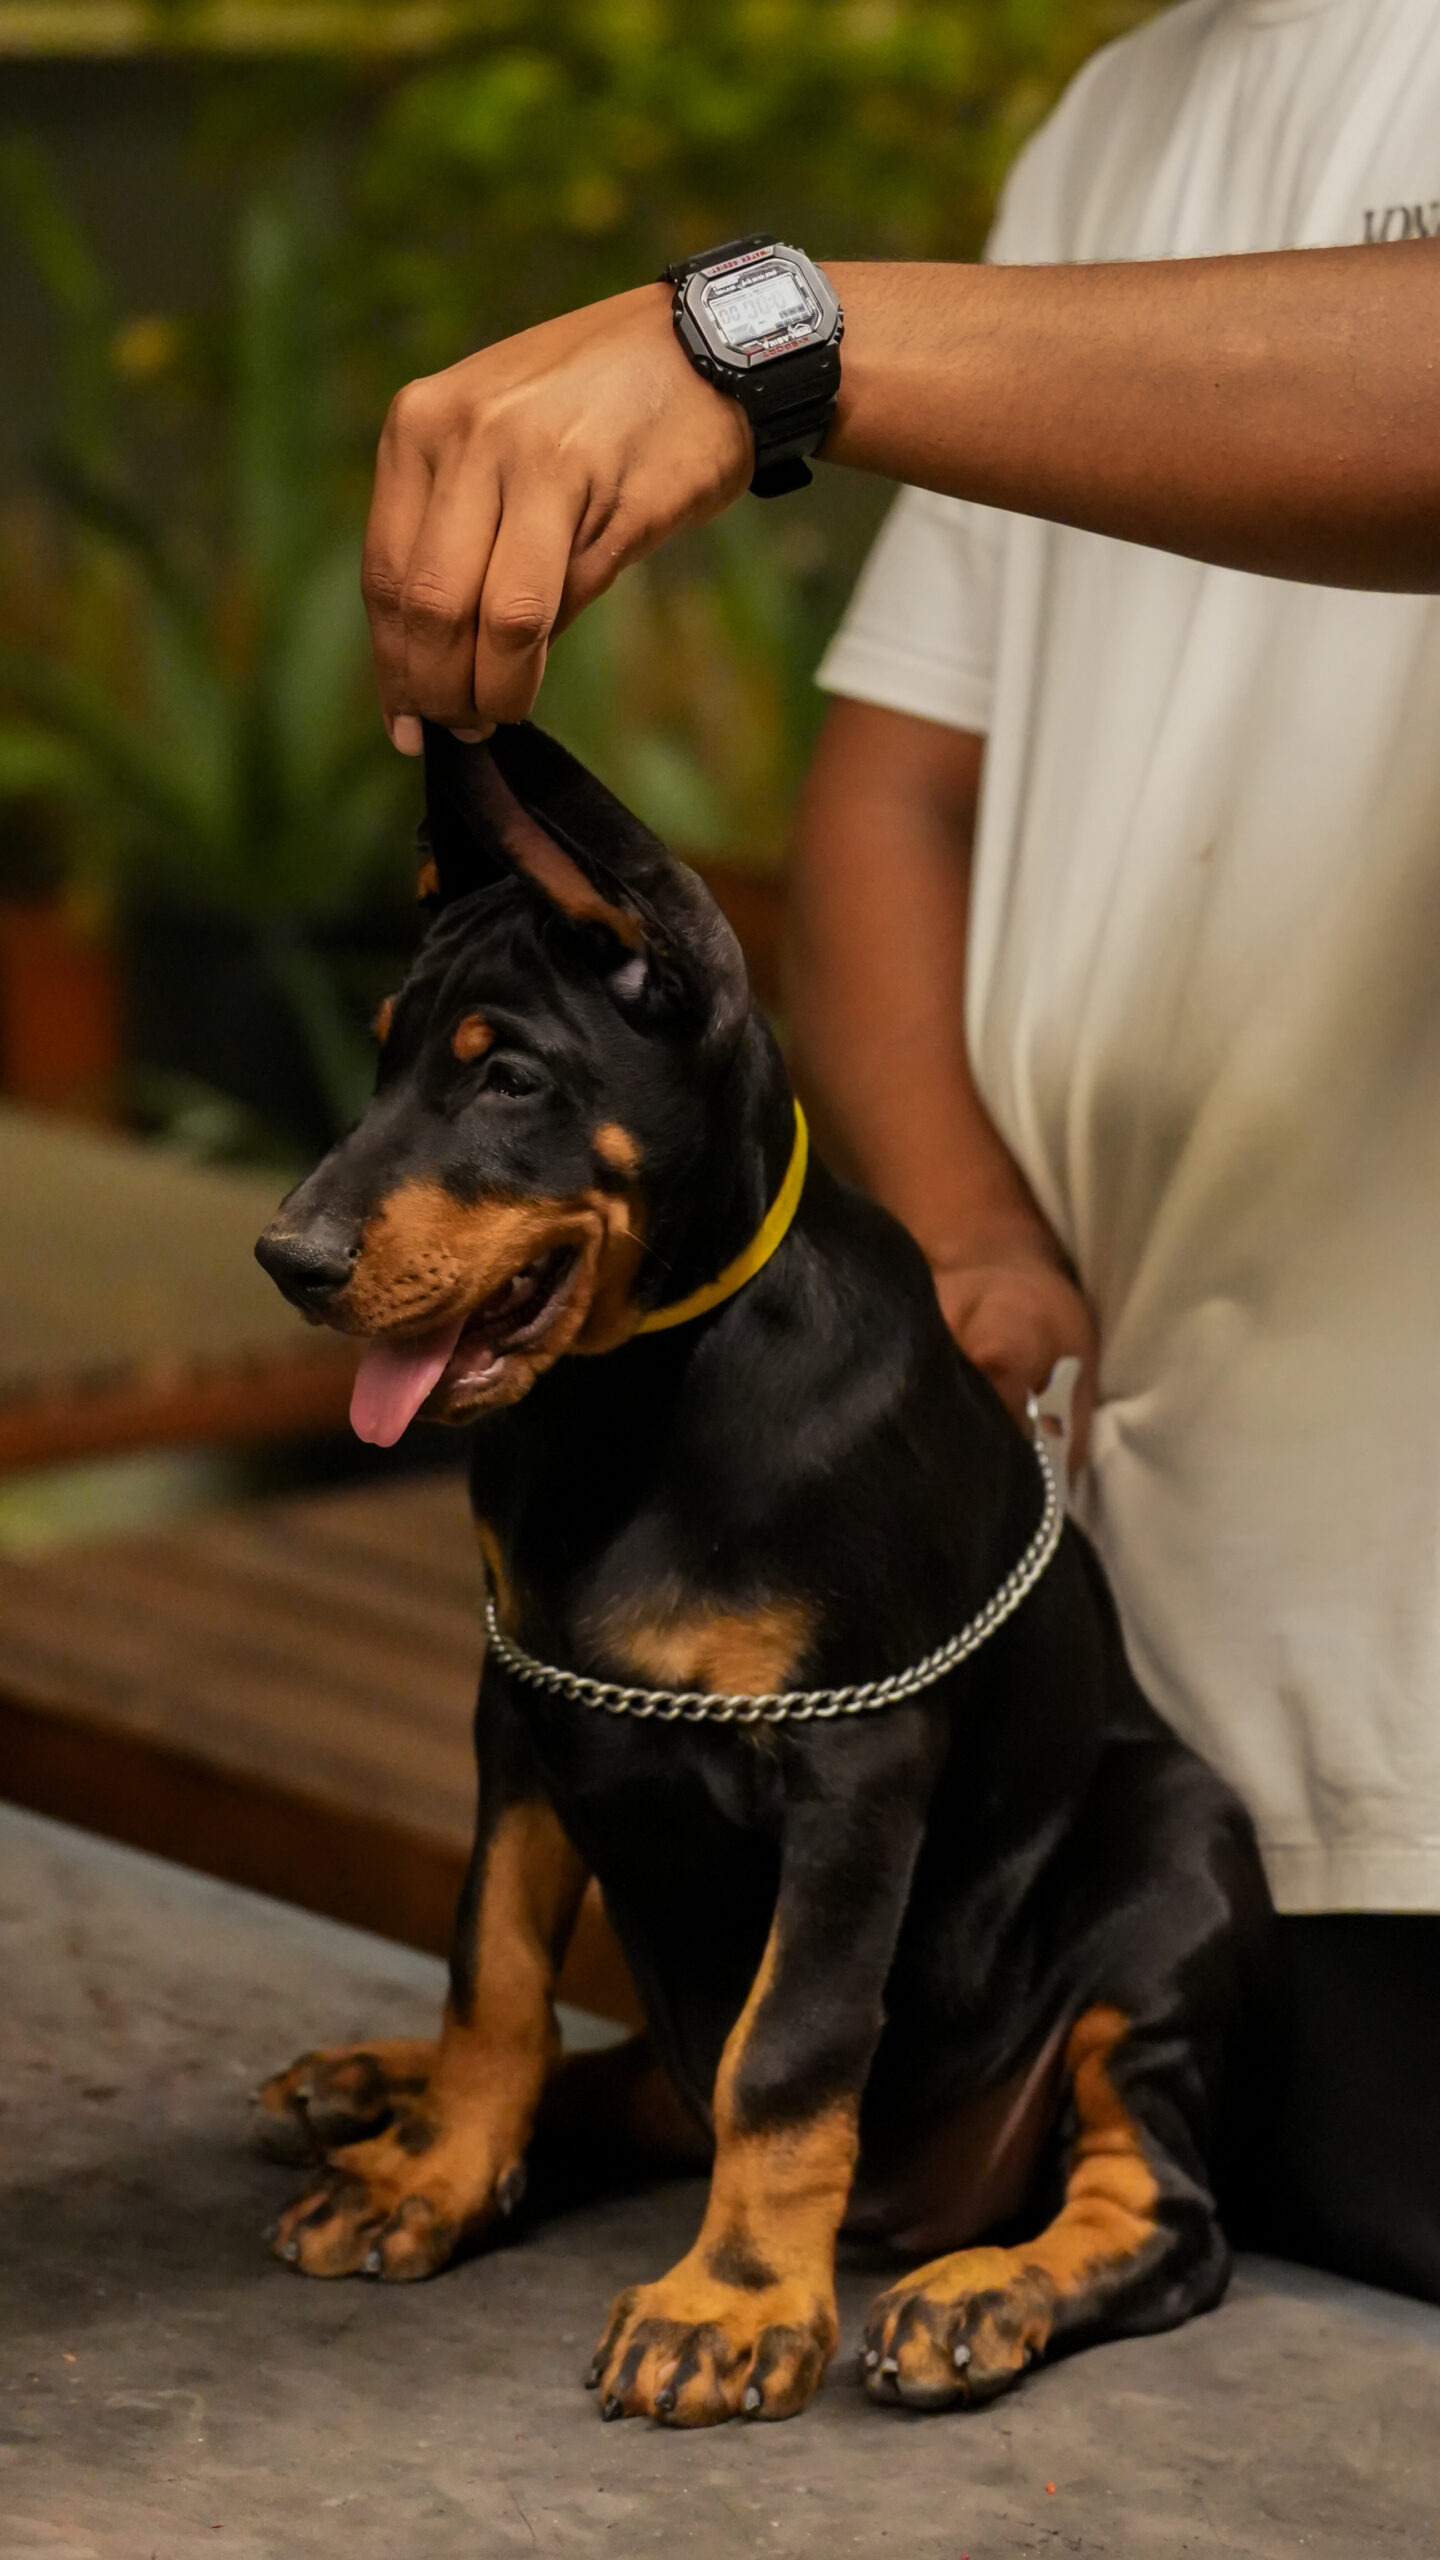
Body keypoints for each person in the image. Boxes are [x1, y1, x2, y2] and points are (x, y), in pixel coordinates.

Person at [360, 0, 1440, 2300]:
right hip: (1104, 1685)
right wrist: (962, 1220)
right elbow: (898, 784)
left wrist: (759, 338)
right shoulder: (1120, 115)